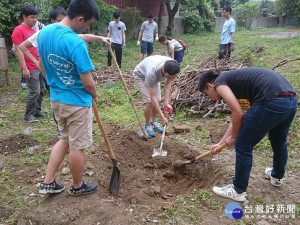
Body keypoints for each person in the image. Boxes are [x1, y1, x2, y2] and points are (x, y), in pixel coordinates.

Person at [37, 0, 109, 196]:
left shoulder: (45, 32)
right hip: (77, 101)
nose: (88, 27)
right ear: (80, 18)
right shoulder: (76, 43)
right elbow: (87, 81)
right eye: (88, 23)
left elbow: (42, 63)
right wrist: (94, 94)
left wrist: (52, 84)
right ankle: (78, 186)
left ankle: (48, 182)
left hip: (57, 98)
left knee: (64, 139)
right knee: (77, 146)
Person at [198, 67, 298, 202]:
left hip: (270, 101)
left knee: (243, 144)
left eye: (206, 94)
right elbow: (238, 117)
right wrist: (221, 143)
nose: (211, 98)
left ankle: (238, 190)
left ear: (210, 86)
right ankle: (277, 176)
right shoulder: (237, 85)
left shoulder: (220, 83)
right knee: (278, 140)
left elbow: (237, 114)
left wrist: (234, 137)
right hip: (290, 101)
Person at [11, 5, 45, 122]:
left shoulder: (34, 30)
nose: (35, 20)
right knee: (34, 91)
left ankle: (37, 110)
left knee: (41, 89)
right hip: (30, 66)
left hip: (38, 64)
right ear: (24, 17)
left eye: (36, 17)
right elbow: (18, 50)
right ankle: (28, 115)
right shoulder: (18, 30)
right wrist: (24, 68)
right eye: (32, 17)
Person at [133, 55, 180, 137]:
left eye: (173, 77)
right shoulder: (151, 73)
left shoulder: (173, 66)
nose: (171, 78)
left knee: (158, 100)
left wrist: (166, 103)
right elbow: (152, 97)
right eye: (169, 76)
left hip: (156, 77)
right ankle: (147, 125)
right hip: (141, 76)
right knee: (150, 102)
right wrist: (162, 116)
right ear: (163, 70)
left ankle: (153, 122)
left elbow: (168, 84)